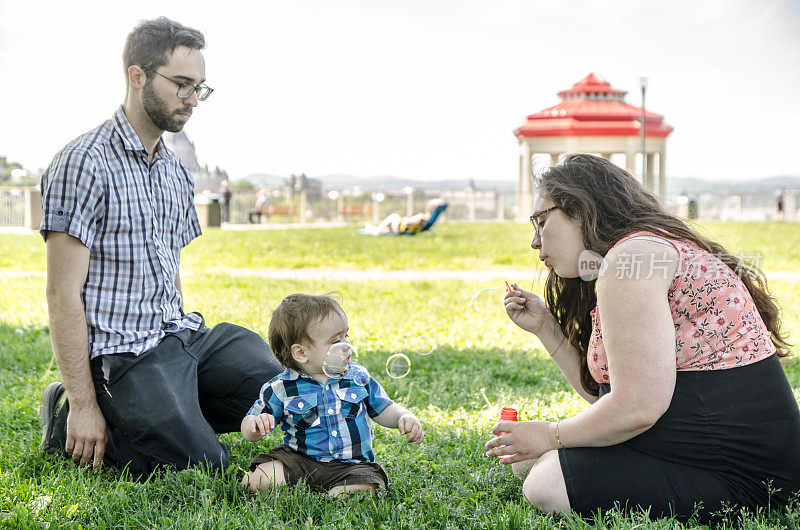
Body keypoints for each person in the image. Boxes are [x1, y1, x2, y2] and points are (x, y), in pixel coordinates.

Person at [485, 154, 800, 523]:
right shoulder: (639, 252)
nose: (535, 242)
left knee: (545, 482)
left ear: (580, 208)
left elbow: (637, 409)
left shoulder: (630, 259)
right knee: (531, 465)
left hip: (751, 482)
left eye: (541, 221)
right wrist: (545, 327)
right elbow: (611, 397)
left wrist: (550, 435)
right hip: (705, 455)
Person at [37, 17, 283, 476]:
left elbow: (168, 270)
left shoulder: (174, 170)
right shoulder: (83, 163)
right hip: (122, 354)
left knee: (284, 389)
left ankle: (165, 414)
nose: (192, 100)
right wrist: (83, 403)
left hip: (179, 336)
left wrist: (183, 371)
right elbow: (61, 293)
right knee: (204, 464)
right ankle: (71, 410)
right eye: (182, 85)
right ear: (138, 76)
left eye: (200, 88)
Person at [240, 293, 423, 496]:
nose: (347, 346)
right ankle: (324, 490)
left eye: (347, 336)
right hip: (300, 461)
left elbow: (383, 407)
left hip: (351, 465)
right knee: (255, 482)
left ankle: (337, 492)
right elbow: (250, 423)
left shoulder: (356, 376)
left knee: (368, 485)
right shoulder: (280, 387)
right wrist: (254, 428)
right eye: (336, 341)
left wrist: (402, 416)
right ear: (301, 353)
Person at [363, 198, 444, 235]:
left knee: (394, 216)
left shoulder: (422, 217)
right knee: (394, 217)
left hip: (403, 227)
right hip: (404, 226)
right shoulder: (427, 218)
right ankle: (378, 229)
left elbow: (410, 222)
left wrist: (405, 220)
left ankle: (377, 230)